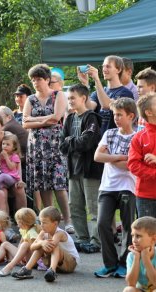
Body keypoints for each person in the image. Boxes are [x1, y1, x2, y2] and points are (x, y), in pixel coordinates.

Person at [23, 64, 73, 233]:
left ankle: (67, 220)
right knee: (43, 185)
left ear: (47, 79)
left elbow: (57, 118)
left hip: (55, 146)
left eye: (39, 79)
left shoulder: (58, 95)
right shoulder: (30, 99)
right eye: (33, 80)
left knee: (59, 185)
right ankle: (50, 221)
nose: (36, 82)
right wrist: (46, 120)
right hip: (37, 147)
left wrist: (36, 121)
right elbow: (24, 123)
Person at [94, 98, 138, 278]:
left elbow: (130, 165)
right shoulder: (109, 133)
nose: (116, 118)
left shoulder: (137, 137)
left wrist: (110, 157)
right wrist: (119, 157)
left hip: (128, 186)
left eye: (120, 115)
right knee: (102, 223)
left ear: (131, 116)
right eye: (115, 114)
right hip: (107, 187)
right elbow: (98, 156)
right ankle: (110, 264)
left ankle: (124, 263)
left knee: (128, 226)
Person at [59, 84, 103, 253]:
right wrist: (71, 141)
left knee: (93, 207)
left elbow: (87, 142)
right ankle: (82, 238)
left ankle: (95, 240)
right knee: (75, 205)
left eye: (72, 98)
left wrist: (70, 141)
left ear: (83, 98)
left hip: (90, 169)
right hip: (73, 169)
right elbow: (62, 146)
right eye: (68, 98)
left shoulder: (92, 118)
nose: (69, 101)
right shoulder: (69, 119)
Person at [12, 206, 80, 282]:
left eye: (44, 223)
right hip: (55, 262)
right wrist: (41, 242)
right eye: (40, 222)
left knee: (53, 245)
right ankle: (27, 269)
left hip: (70, 263)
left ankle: (52, 270)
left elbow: (51, 247)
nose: (41, 225)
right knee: (41, 245)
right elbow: (32, 247)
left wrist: (42, 243)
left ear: (55, 223)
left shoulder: (59, 233)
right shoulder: (43, 232)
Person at [0, 208, 40, 276]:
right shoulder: (24, 230)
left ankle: (10, 265)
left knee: (25, 244)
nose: (17, 224)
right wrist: (18, 254)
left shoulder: (32, 233)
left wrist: (22, 255)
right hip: (23, 257)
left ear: (23, 223)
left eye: (18, 222)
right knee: (5, 244)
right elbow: (20, 244)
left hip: (31, 259)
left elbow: (34, 249)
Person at [77, 55, 134, 134]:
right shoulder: (98, 92)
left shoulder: (125, 93)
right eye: (103, 66)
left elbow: (106, 105)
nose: (104, 69)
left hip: (115, 139)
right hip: (99, 139)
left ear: (118, 69)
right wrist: (85, 84)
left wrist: (96, 79)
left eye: (108, 66)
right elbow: (88, 107)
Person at [128, 93, 156, 218]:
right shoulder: (139, 137)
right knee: (147, 234)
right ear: (149, 112)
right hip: (146, 195)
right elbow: (133, 165)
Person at [124, 216, 156, 292]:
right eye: (132, 235)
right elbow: (131, 283)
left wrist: (146, 259)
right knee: (128, 290)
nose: (134, 240)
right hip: (141, 290)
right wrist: (136, 258)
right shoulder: (132, 256)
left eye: (138, 236)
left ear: (153, 239)